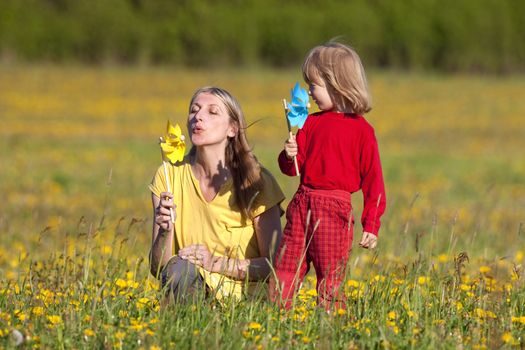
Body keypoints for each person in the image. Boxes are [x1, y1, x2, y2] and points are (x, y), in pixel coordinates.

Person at [270, 42, 386, 309]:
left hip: (335, 209)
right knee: (286, 267)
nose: (309, 93)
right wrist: (289, 154)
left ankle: (330, 326)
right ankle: (276, 317)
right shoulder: (309, 123)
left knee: (330, 277)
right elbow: (292, 168)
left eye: (314, 85)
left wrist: (372, 223)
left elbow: (373, 181)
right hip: (303, 202)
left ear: (338, 85)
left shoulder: (362, 131)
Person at [149, 86, 285, 302]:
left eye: (212, 112)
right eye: (194, 110)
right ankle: (187, 332)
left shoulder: (256, 181)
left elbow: (276, 264)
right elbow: (159, 269)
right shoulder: (168, 176)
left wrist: (215, 263)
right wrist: (164, 233)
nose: (198, 117)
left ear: (232, 129)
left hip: (244, 303)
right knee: (178, 270)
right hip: (193, 294)